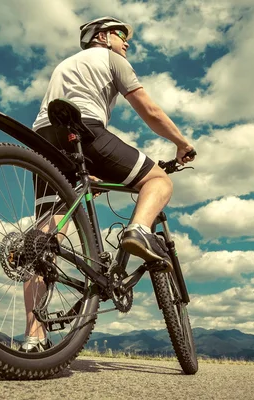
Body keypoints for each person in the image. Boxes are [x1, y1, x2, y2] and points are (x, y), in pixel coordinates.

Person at [19, 16, 196, 352]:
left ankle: (33, 337)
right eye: (121, 35)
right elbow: (150, 109)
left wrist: (86, 175)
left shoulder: (65, 65)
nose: (126, 42)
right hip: (85, 130)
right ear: (102, 36)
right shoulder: (111, 59)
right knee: (158, 180)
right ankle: (139, 230)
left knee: (44, 239)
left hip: (44, 137)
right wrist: (181, 143)